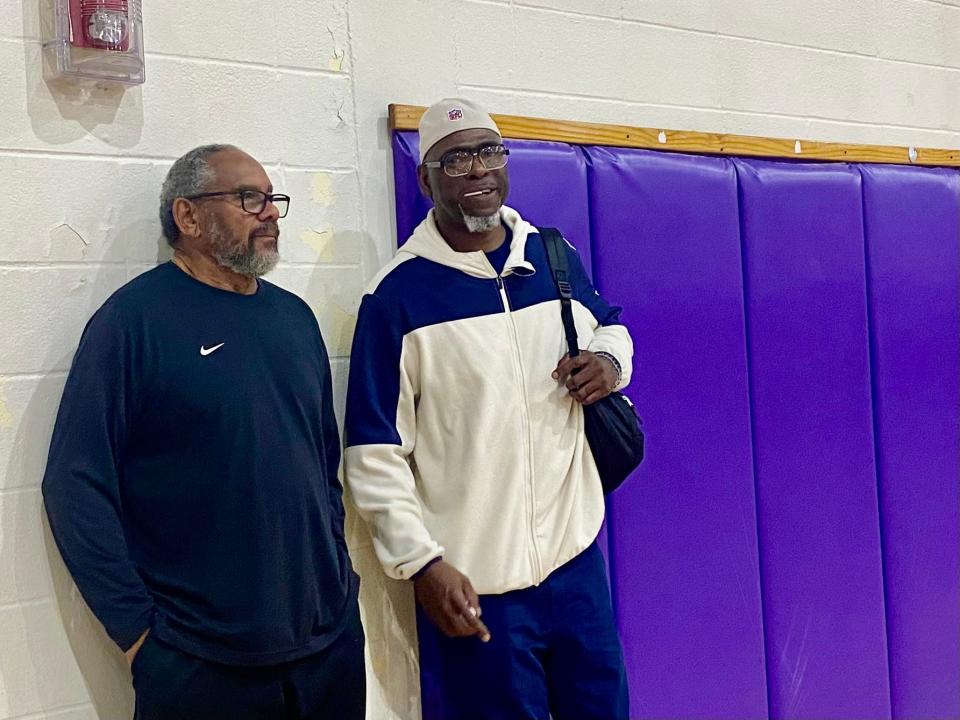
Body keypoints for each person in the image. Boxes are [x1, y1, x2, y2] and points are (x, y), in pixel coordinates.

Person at [42, 144, 365, 720]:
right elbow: (73, 485)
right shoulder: (132, 322)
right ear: (187, 217)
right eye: (249, 198)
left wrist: (339, 585)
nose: (269, 213)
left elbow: (322, 467)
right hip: (198, 663)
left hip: (325, 649)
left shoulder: (294, 318)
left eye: (272, 199)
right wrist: (139, 633)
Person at [345, 99, 633, 720]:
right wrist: (421, 563)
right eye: (456, 160)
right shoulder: (396, 298)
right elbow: (372, 452)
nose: (477, 171)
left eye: (489, 153)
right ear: (426, 180)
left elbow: (611, 327)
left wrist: (610, 364)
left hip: (575, 566)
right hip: (479, 588)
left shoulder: (553, 258)